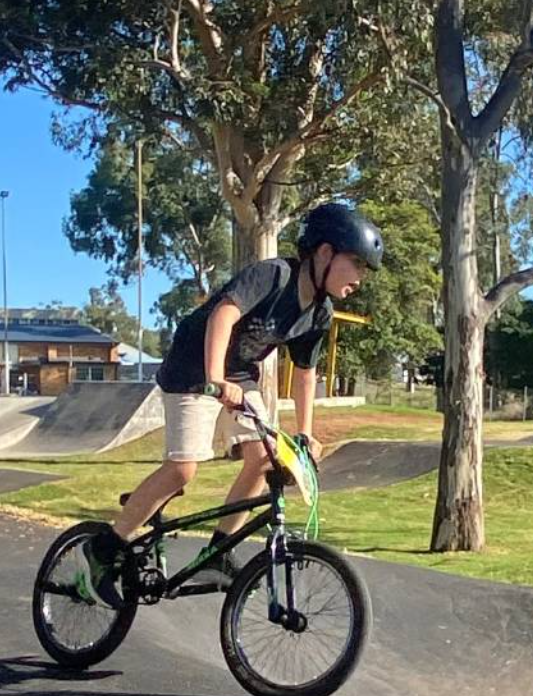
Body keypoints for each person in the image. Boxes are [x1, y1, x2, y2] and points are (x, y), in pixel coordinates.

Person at [70, 203, 384, 608]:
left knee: (266, 458)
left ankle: (216, 554)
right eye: (356, 263)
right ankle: (104, 549)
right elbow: (224, 314)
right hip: (192, 367)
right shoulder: (275, 275)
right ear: (325, 253)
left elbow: (304, 371)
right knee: (183, 469)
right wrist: (215, 379)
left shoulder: (319, 313)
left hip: (237, 375)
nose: (360, 278)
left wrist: (306, 432)